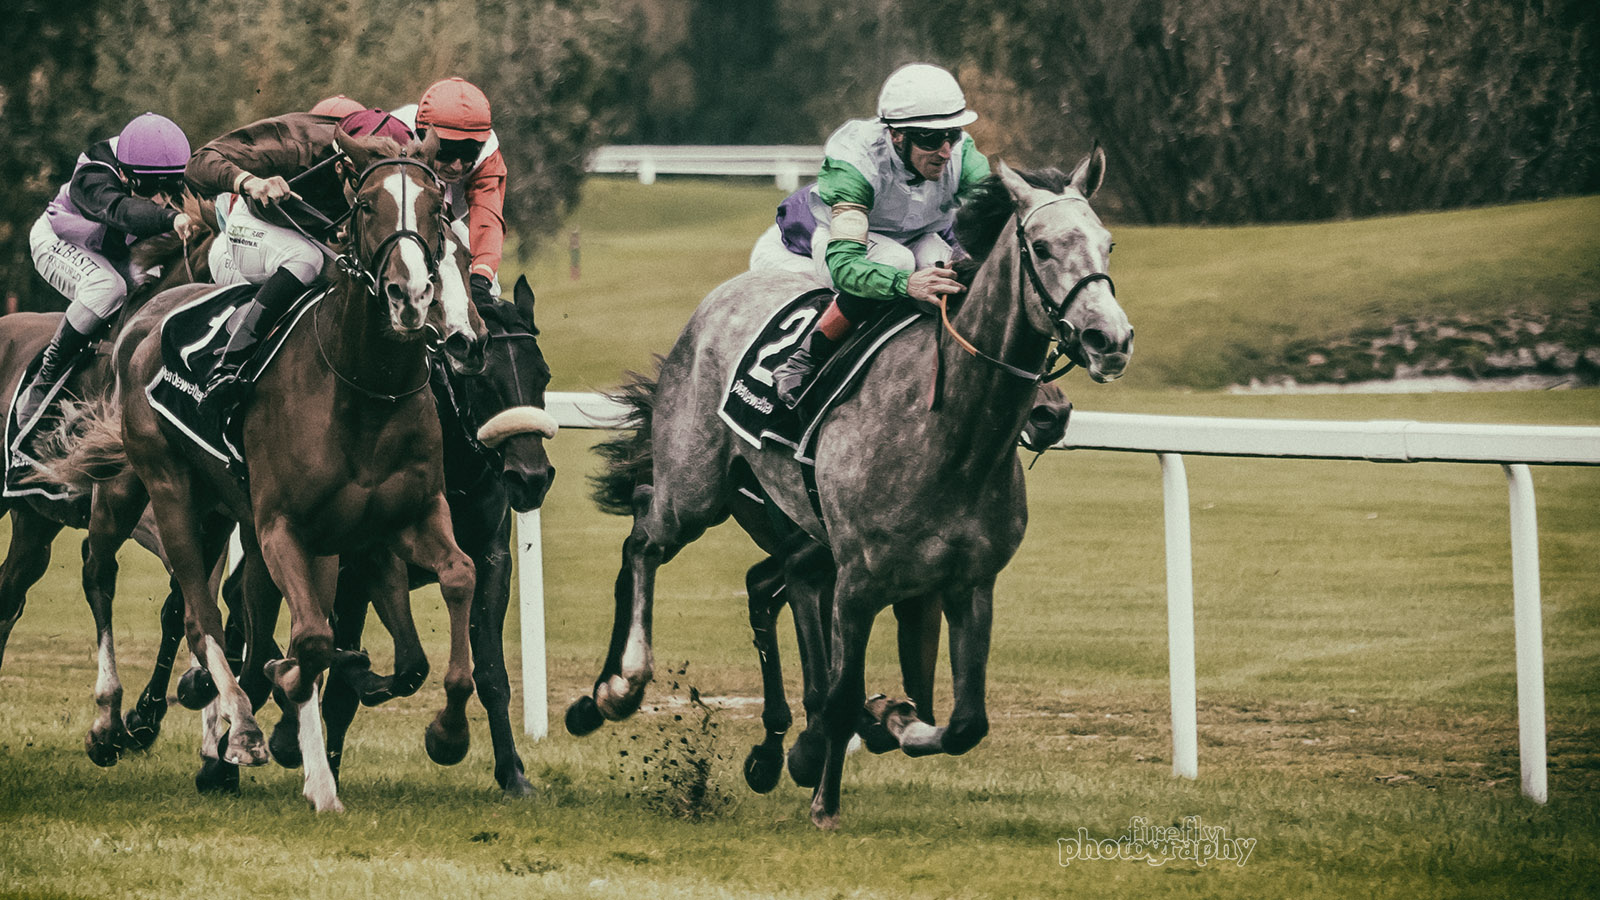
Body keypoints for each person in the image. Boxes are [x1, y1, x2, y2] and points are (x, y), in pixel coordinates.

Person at [750, 63, 992, 407]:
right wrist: (906, 284)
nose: (944, 150)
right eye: (930, 138)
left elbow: (996, 232)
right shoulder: (856, 160)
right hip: (822, 241)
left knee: (947, 264)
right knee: (897, 261)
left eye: (951, 133)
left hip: (914, 237)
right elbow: (847, 266)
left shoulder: (963, 154)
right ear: (896, 135)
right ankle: (803, 360)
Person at [184, 107, 415, 402]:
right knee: (307, 259)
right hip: (253, 225)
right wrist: (251, 182)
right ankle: (229, 367)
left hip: (309, 233)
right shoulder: (294, 145)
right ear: (341, 166)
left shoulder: (393, 146)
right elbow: (198, 163)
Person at [19, 112, 194, 425]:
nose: (161, 197)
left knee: (156, 284)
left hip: (112, 246)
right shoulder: (93, 176)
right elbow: (122, 211)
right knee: (106, 288)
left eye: (167, 189)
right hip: (60, 239)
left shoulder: (153, 162)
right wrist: (169, 219)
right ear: (128, 177)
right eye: (154, 190)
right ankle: (46, 378)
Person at [392, 77, 507, 305]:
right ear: (422, 135)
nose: (456, 165)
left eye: (468, 153)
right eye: (446, 151)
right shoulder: (396, 135)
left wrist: (480, 280)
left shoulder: (488, 154)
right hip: (394, 224)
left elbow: (487, 221)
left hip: (444, 220)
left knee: (490, 285)